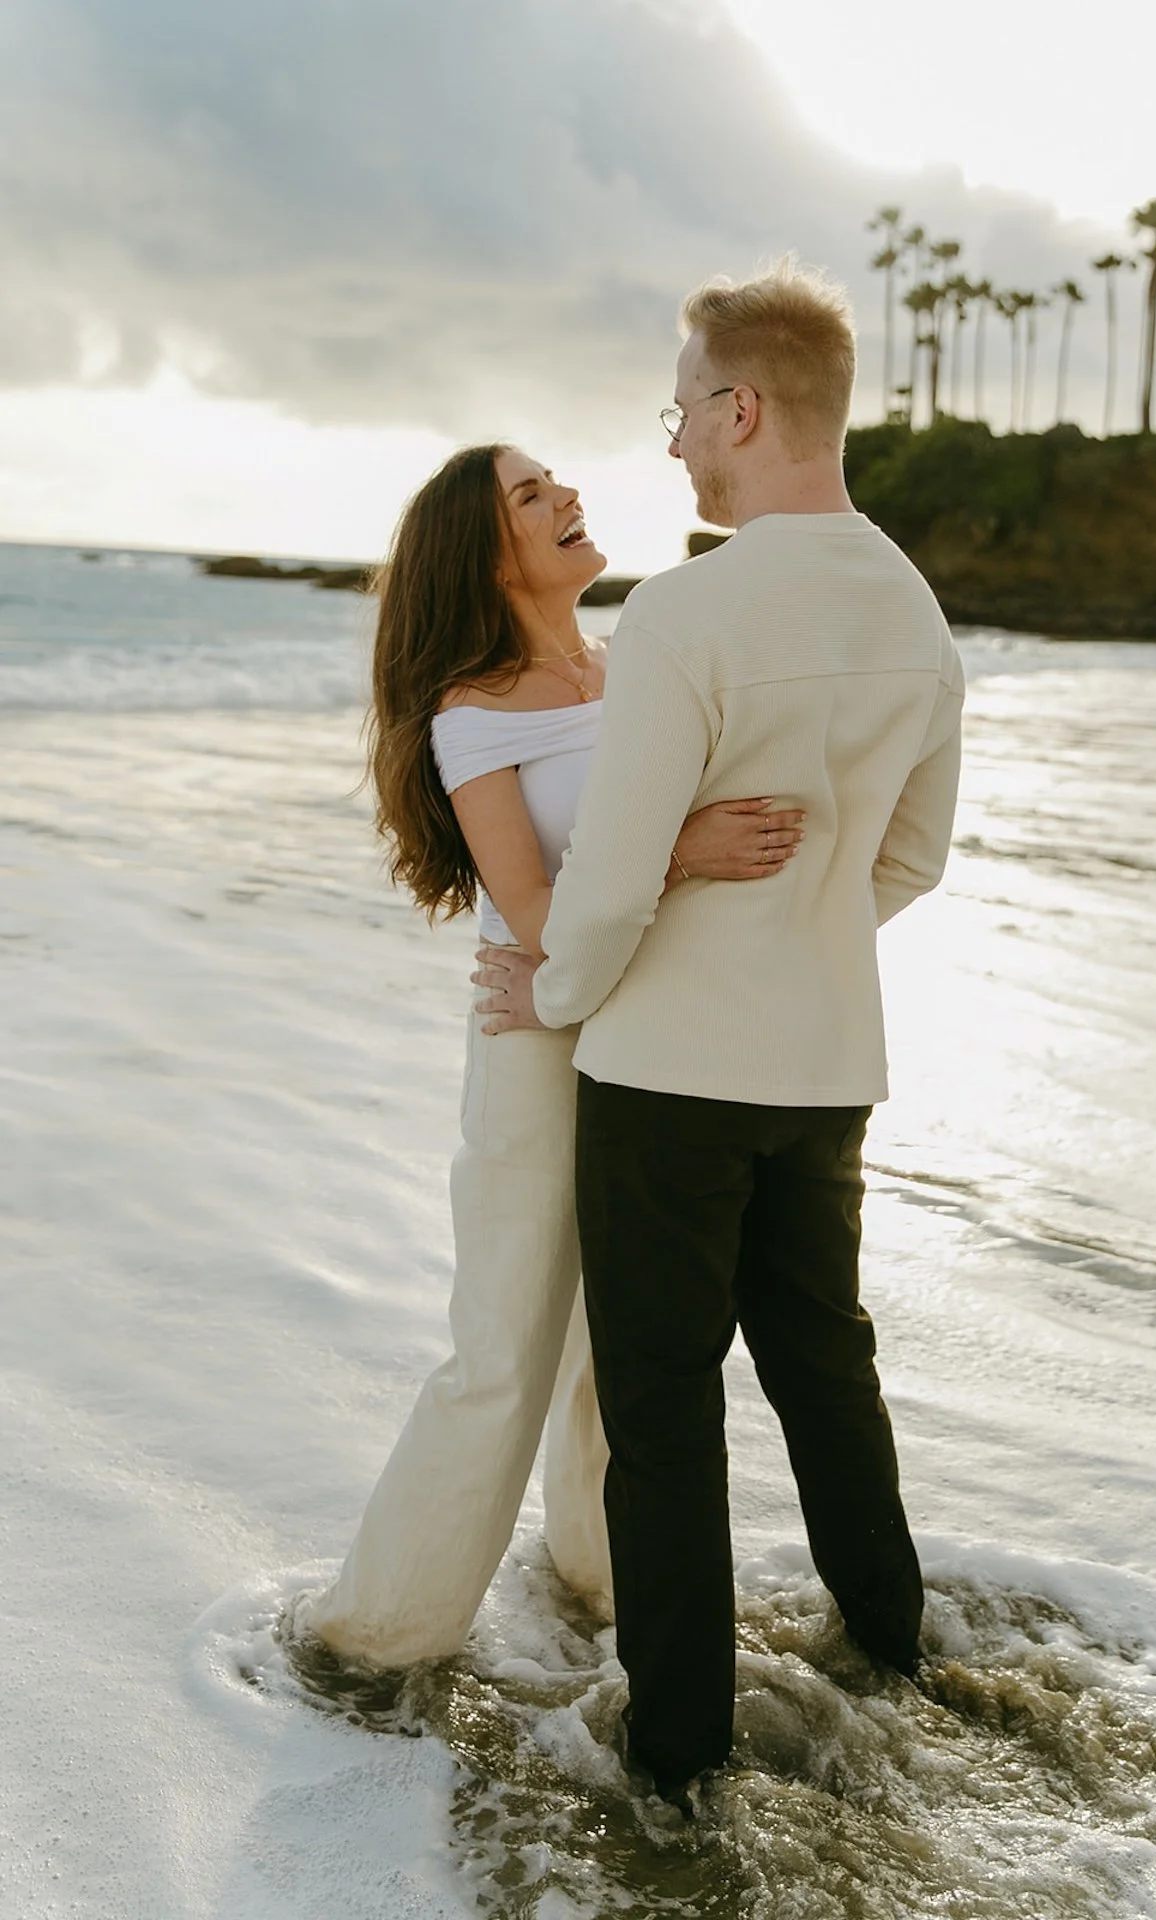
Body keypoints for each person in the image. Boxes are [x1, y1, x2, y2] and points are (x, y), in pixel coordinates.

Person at [473, 259, 965, 1796]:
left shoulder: (684, 608)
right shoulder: (918, 610)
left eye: (685, 407)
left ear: (743, 409)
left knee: (666, 1413)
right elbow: (912, 860)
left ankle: (679, 1763)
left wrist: (551, 993)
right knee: (829, 1367)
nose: (675, 439)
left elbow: (610, 888)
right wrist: (800, 929)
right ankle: (899, 1645)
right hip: (827, 1069)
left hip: (668, 1074)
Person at [293, 444, 805, 1668]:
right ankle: (374, 1636)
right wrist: (680, 850)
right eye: (532, 495)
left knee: (611, 1346)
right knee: (505, 1349)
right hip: (531, 1042)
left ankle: (603, 1578)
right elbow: (528, 913)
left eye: (557, 481)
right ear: (487, 554)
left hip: (640, 1028)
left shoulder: (632, 665)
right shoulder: (472, 708)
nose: (567, 496)